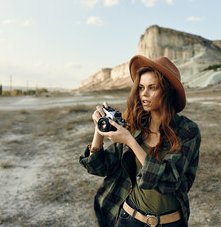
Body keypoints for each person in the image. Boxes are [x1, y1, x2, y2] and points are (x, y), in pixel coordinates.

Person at [79, 55, 201, 227]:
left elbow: (169, 180)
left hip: (170, 222)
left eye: (152, 87)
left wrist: (131, 142)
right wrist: (100, 128)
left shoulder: (187, 130)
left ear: (167, 91)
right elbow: (98, 167)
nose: (144, 93)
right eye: (141, 87)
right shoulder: (134, 126)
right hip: (129, 218)